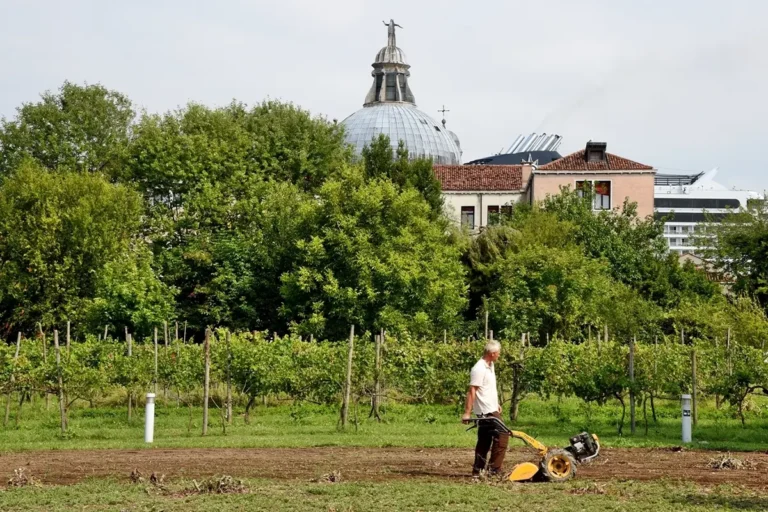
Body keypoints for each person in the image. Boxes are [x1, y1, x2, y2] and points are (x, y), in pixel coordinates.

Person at [461, 340, 508, 476]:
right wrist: (467, 413)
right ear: (492, 353)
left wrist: (496, 403)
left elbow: (487, 388)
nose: (499, 355)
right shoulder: (479, 368)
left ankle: (478, 470)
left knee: (484, 439)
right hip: (486, 411)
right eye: (498, 353)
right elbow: (472, 391)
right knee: (503, 434)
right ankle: (494, 470)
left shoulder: (490, 365)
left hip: (490, 407)